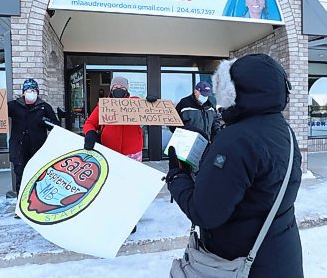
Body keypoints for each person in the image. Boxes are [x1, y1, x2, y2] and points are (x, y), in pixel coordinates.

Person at [166, 54, 303, 277]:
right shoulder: (282, 130)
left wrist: (177, 176)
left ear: (235, 90)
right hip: (281, 255)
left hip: (243, 264)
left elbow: (206, 213)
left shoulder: (237, 138)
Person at [84, 76, 151, 234]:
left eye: (122, 86)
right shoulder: (104, 105)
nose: (118, 88)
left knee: (130, 188)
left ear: (127, 89)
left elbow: (149, 111)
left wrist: (150, 103)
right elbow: (90, 123)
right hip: (110, 153)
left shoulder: (135, 103)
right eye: (115, 86)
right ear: (111, 88)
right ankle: (112, 217)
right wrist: (90, 133)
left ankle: (129, 220)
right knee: (111, 187)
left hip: (132, 153)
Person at [7, 78, 59, 194]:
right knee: (21, 176)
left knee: (38, 176)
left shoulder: (44, 107)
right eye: (29, 90)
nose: (32, 93)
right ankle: (21, 201)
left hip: (38, 148)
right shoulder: (14, 106)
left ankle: (37, 201)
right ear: (23, 93)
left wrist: (46, 121)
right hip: (19, 149)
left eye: (34, 91)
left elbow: (56, 126)